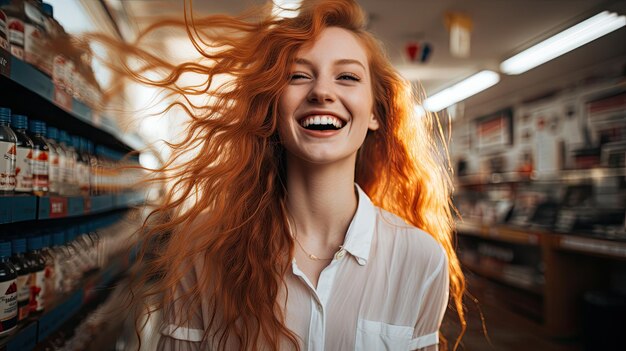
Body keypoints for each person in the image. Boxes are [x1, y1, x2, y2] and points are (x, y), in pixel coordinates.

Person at [97, 0, 466, 349]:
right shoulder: (203, 249)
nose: (322, 91)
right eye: (299, 75)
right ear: (273, 107)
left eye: (348, 77)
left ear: (375, 114)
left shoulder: (420, 259)